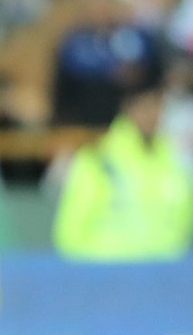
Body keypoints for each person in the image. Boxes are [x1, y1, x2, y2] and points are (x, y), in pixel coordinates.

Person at [53, 68, 193, 260]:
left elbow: (184, 225)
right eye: (145, 106)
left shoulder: (174, 163)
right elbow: (70, 234)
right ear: (128, 108)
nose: (152, 114)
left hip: (164, 278)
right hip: (110, 277)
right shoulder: (98, 160)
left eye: (157, 105)